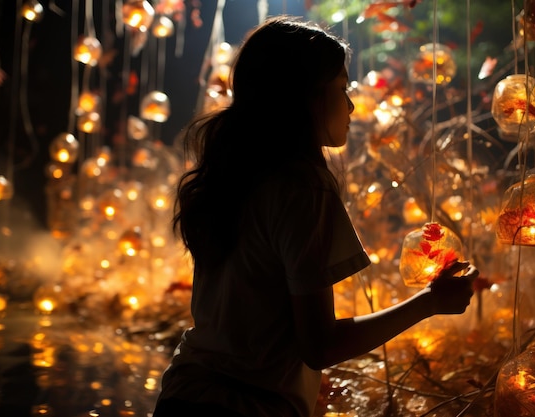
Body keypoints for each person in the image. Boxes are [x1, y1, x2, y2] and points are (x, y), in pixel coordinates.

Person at [153, 15, 478, 417]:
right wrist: (429, 302)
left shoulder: (232, 173)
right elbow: (320, 345)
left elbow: (252, 318)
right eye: (342, 88)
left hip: (184, 394)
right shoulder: (304, 187)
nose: (352, 105)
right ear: (306, 98)